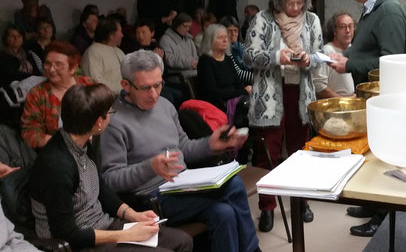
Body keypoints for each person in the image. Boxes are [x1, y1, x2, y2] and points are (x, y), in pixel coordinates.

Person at [99, 50, 259, 252]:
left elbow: (182, 147)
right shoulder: (114, 122)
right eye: (146, 88)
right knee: (234, 186)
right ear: (126, 85)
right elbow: (111, 179)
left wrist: (210, 144)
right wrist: (150, 167)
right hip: (150, 199)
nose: (154, 94)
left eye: (158, 85)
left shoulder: (164, 105)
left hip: (181, 184)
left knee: (223, 213)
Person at [29, 83, 193, 252]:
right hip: (80, 243)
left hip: (104, 226)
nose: (111, 116)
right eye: (109, 113)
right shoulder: (56, 166)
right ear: (99, 122)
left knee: (183, 241)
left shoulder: (83, 142)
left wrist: (134, 215)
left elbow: (101, 189)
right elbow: (66, 233)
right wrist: (126, 235)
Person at [328, 0, 406, 237]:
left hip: (384, 99)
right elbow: (366, 47)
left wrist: (348, 64)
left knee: (385, 158)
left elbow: (391, 62)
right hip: (371, 97)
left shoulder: (389, 12)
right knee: (373, 155)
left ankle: (383, 217)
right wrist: (344, 55)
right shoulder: (371, 8)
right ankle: (373, 205)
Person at [243, 0, 322, 232]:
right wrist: (278, 56)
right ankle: (267, 208)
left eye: (300, 3)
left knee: (302, 154)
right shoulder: (263, 20)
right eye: (291, 3)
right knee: (270, 155)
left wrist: (309, 59)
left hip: (301, 94)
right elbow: (248, 56)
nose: (296, 8)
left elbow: (320, 55)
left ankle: (302, 203)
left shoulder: (312, 20)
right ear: (279, 0)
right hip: (270, 98)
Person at [21, 41, 93, 149]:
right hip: (58, 152)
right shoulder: (38, 94)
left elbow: (106, 115)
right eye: (47, 64)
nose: (51, 69)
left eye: (58, 65)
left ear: (73, 68)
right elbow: (30, 134)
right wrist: (67, 142)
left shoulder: (87, 84)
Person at [196, 24, 250, 112]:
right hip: (218, 104)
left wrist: (245, 90)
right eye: (220, 37)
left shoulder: (227, 58)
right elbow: (213, 93)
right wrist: (243, 91)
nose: (225, 40)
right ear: (210, 40)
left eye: (225, 37)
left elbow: (238, 83)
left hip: (235, 99)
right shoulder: (205, 61)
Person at [313, 11, 356, 98]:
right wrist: (343, 101)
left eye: (350, 26)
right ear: (334, 31)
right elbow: (320, 87)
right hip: (334, 107)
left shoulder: (352, 49)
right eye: (343, 27)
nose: (348, 31)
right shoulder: (327, 51)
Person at [81, 17, 125, 94]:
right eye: (120, 31)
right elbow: (96, 82)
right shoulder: (93, 53)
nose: (122, 35)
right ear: (111, 35)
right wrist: (123, 90)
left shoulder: (119, 51)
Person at [0, 25, 42, 89]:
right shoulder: (2, 56)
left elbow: (37, 73)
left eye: (19, 36)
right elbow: (12, 76)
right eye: (12, 36)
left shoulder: (28, 54)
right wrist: (32, 78)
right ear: (6, 38)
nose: (16, 38)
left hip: (33, 88)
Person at [219, 16, 253, 85]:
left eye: (235, 30)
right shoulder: (224, 50)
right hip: (237, 86)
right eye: (229, 31)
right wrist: (258, 79)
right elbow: (238, 73)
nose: (233, 34)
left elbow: (252, 65)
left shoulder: (242, 46)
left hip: (249, 84)